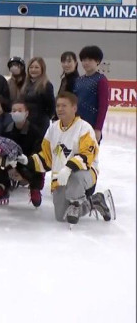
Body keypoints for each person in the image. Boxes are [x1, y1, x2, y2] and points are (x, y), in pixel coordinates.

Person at [19, 92, 111, 224]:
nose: (60, 109)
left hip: (85, 173)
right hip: (60, 178)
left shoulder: (84, 128)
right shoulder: (53, 129)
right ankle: (95, 201)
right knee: (62, 216)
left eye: (64, 106)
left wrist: (68, 168)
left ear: (74, 108)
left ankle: (76, 202)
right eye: (58, 106)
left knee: (74, 178)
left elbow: (86, 155)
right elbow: (47, 158)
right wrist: (27, 161)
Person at [0, 100, 45, 207]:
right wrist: (11, 166)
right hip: (12, 161)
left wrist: (24, 168)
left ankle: (35, 189)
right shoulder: (6, 129)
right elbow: (1, 148)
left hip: (28, 161)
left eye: (20, 110)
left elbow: (38, 152)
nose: (16, 113)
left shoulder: (35, 131)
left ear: (26, 113)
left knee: (38, 165)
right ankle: (4, 188)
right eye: (14, 111)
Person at [74, 45, 109, 143]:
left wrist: (98, 129)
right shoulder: (78, 80)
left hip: (92, 125)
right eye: (84, 60)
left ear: (97, 61)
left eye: (90, 60)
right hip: (77, 124)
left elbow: (103, 106)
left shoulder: (101, 80)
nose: (86, 63)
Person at [22, 57, 55, 136]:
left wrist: (45, 117)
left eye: (36, 67)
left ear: (42, 69)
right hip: (26, 121)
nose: (33, 70)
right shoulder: (26, 85)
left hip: (40, 123)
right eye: (31, 67)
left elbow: (51, 106)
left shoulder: (46, 85)